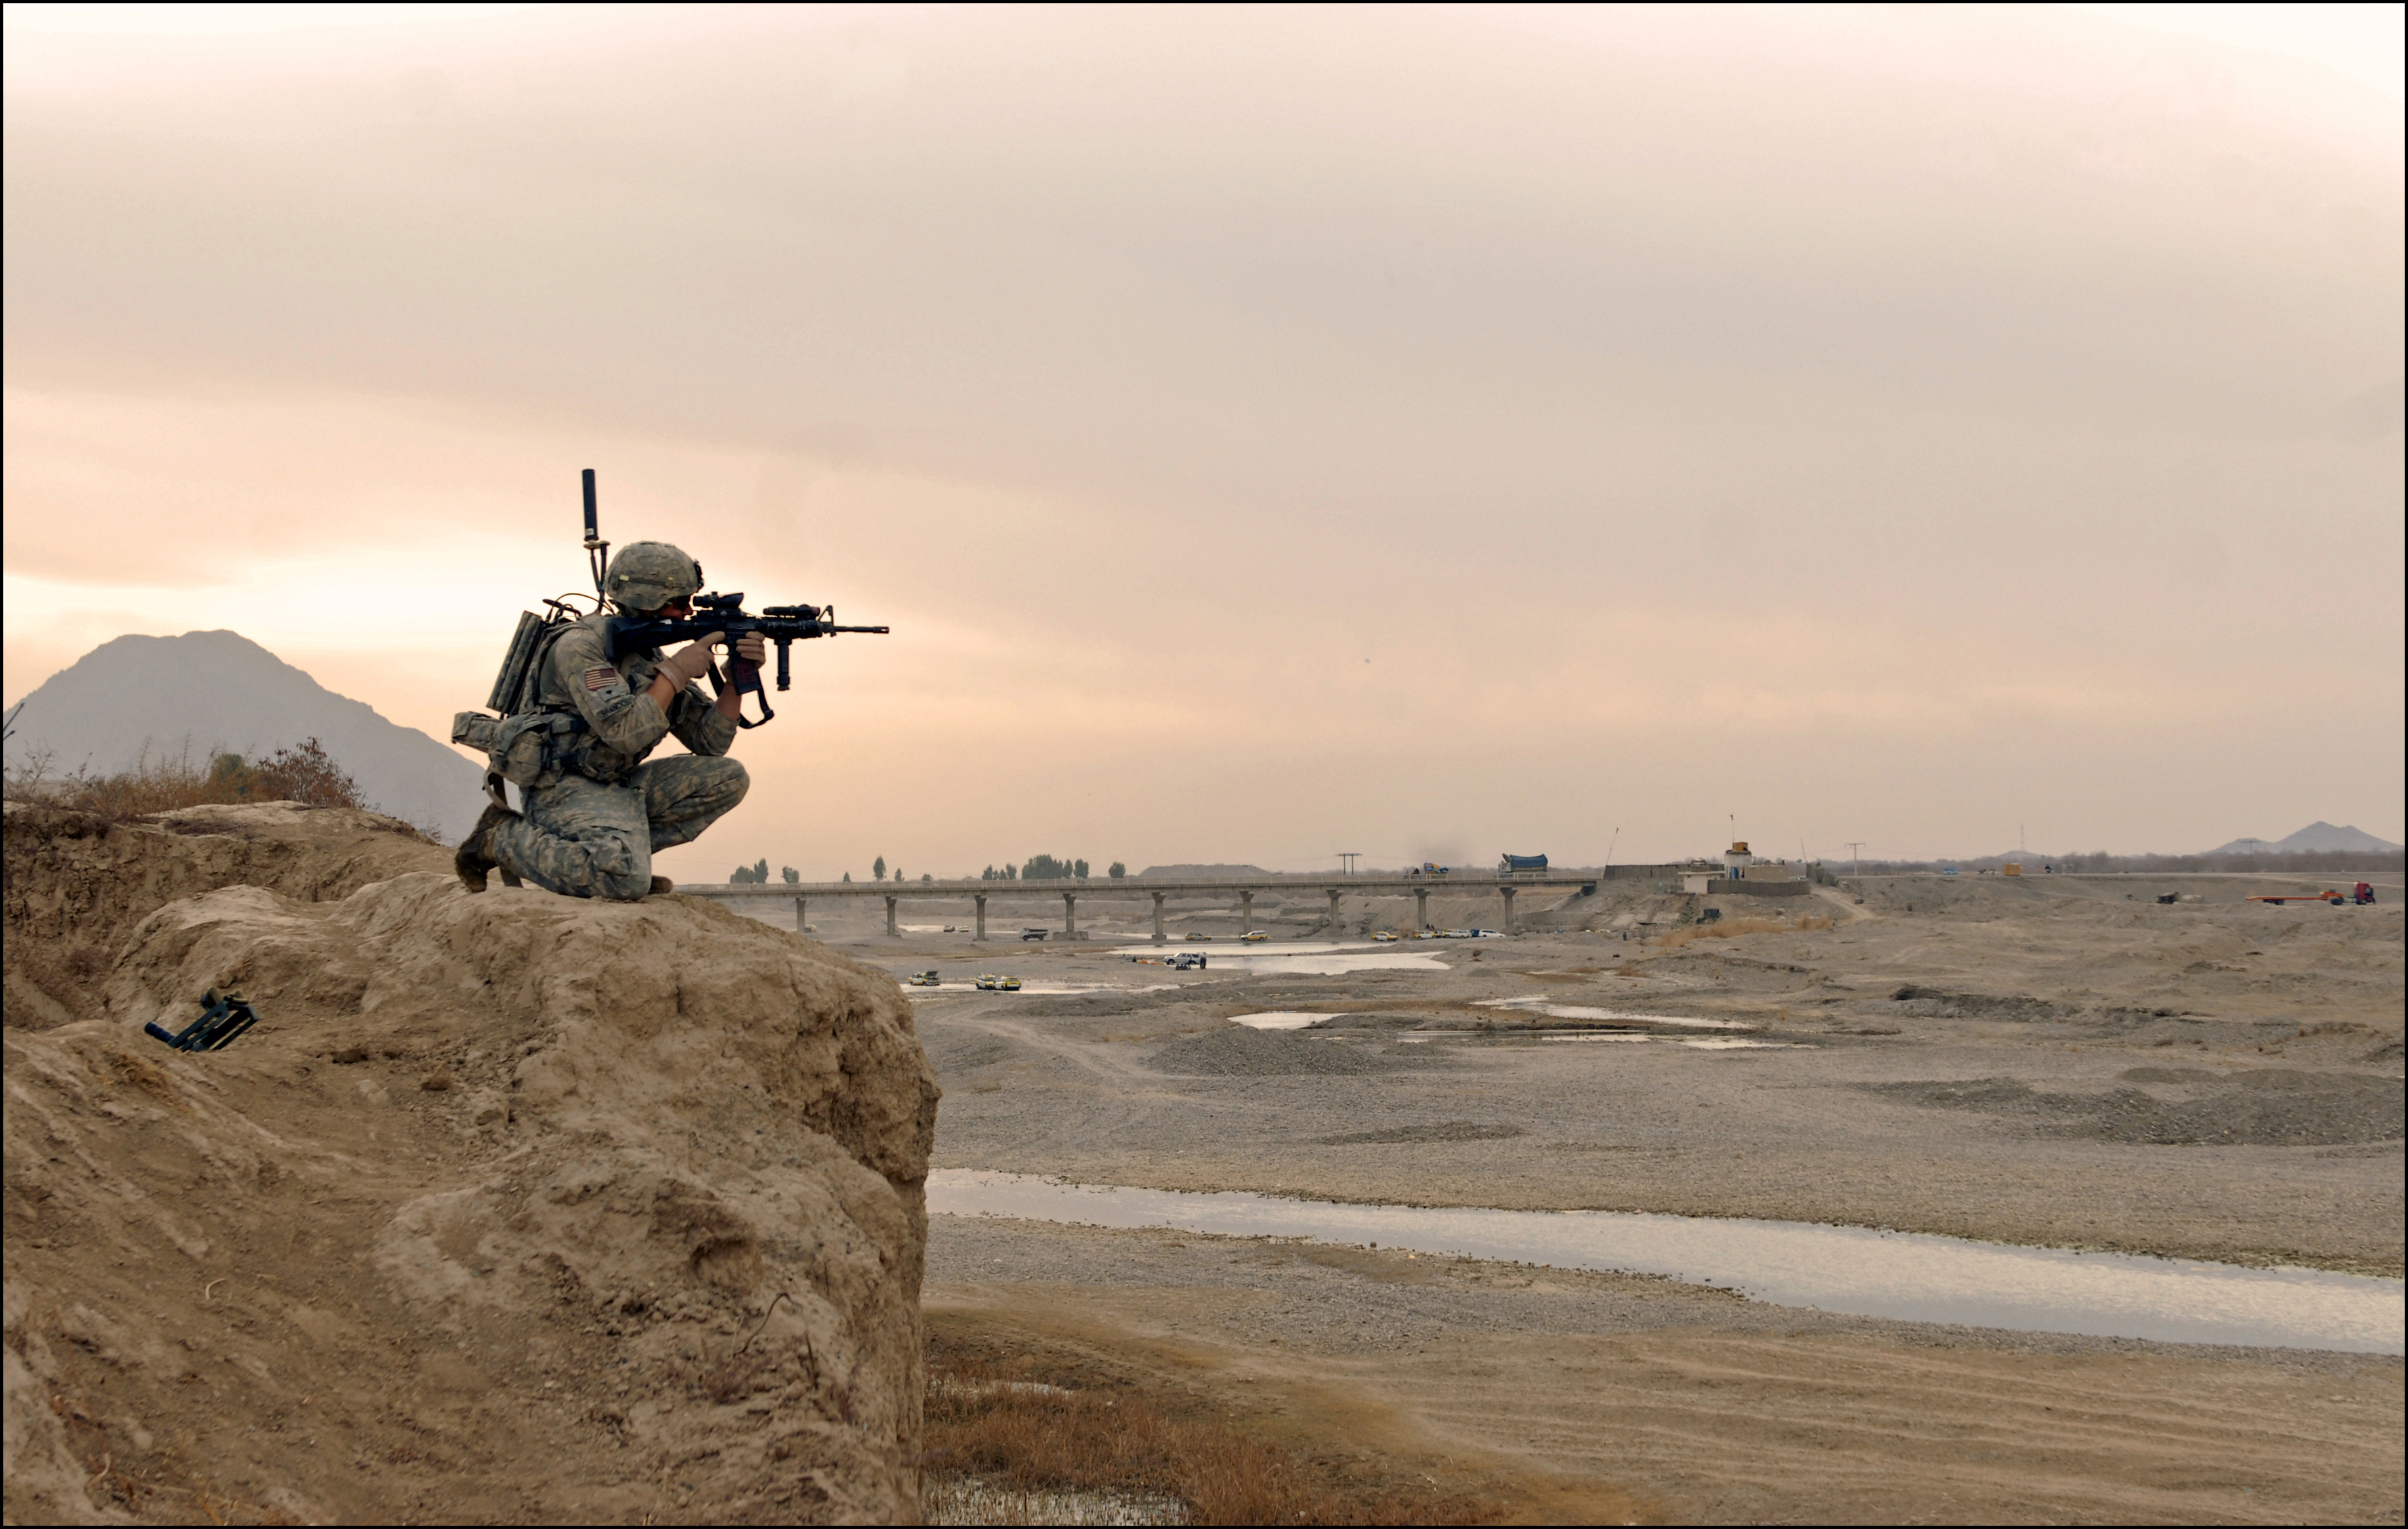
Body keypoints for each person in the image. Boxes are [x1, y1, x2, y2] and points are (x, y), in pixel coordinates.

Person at [455, 541, 765, 900]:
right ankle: (502, 839)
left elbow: (710, 743)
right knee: (625, 884)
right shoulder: (580, 647)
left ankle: (619, 859)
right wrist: (676, 672)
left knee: (728, 778)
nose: (686, 613)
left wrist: (735, 681)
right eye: (679, 602)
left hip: (613, 782)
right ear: (646, 599)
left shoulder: (646, 655)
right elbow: (626, 734)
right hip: (561, 786)